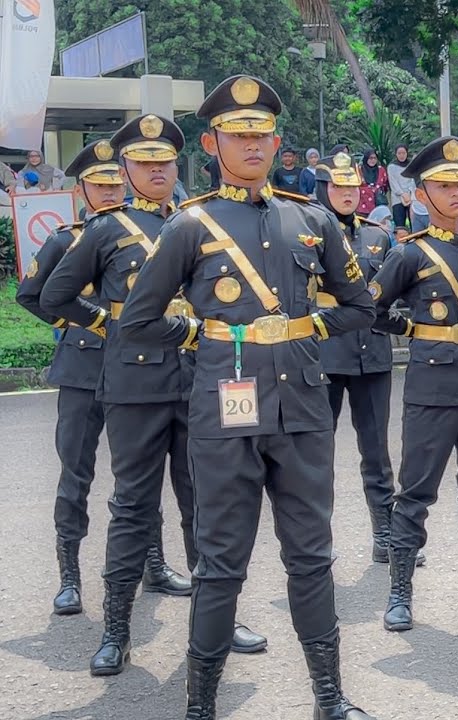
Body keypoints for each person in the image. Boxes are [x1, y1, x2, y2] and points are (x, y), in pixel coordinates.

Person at [114, 75, 376, 719]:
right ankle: (200, 706)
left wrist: (310, 325)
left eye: (262, 135)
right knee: (221, 561)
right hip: (225, 415)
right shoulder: (189, 225)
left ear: (279, 142)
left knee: (312, 557)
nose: (252, 145)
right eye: (239, 135)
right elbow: (138, 319)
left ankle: (329, 698)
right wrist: (198, 331)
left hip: (304, 414)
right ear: (213, 142)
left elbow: (359, 304)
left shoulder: (310, 219)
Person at [40, 115, 272, 676]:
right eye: (144, 164)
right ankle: (116, 630)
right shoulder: (105, 229)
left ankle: (215, 618)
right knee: (133, 506)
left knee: (208, 505)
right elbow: (55, 294)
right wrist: (107, 325)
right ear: (126, 170)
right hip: (136, 383)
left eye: (164, 163)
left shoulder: (201, 222)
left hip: (200, 376)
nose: (156, 171)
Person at [367, 136, 458, 632]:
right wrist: (411, 330)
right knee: (415, 492)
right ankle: (401, 592)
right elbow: (371, 309)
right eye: (443, 186)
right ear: (421, 194)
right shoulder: (409, 255)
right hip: (432, 384)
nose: (455, 193)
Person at [16, 141, 124, 616]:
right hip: (82, 369)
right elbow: (30, 294)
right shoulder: (67, 238)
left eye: (115, 184)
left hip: (134, 370)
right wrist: (71, 323)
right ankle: (70, 577)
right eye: (100, 186)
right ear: (81, 191)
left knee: (137, 475)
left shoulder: (144, 236)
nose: (109, 193)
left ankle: (155, 564)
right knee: (75, 473)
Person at [311, 153, 422, 570]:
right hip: (324, 351)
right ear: (323, 190)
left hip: (372, 353)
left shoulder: (378, 236)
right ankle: (315, 538)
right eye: (338, 188)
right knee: (316, 453)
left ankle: (385, 535)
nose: (346, 195)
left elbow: (396, 290)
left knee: (377, 451)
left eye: (352, 188)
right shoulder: (306, 234)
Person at [386, 144, 415, 229]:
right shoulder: (391, 167)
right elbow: (393, 183)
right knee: (399, 225)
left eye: (403, 153)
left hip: (411, 197)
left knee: (413, 223)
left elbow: (413, 180)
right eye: (399, 153)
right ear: (396, 154)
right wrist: (402, 194)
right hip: (397, 198)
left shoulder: (411, 165)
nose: (402, 155)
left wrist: (409, 193)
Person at [358, 149, 388, 215]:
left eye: (375, 158)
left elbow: (385, 185)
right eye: (370, 158)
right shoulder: (359, 170)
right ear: (366, 158)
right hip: (362, 204)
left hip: (378, 203)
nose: (373, 160)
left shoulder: (381, 170)